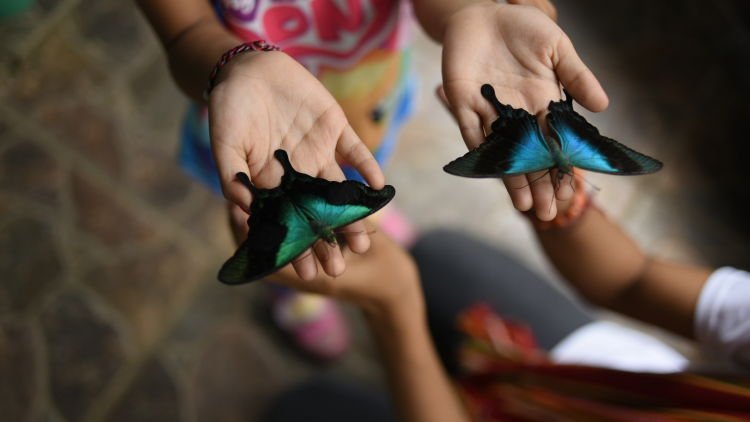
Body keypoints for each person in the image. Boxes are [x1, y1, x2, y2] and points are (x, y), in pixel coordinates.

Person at [135, 0, 603, 359]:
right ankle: (292, 289)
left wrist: (468, 12)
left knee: (363, 163)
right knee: (265, 214)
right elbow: (186, 31)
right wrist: (234, 65)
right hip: (253, 123)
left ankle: (361, 204)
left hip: (368, 92)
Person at [262, 181, 750, 420]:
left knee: (300, 408)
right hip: (576, 374)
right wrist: (547, 175)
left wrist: (393, 307)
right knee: (437, 254)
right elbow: (631, 279)